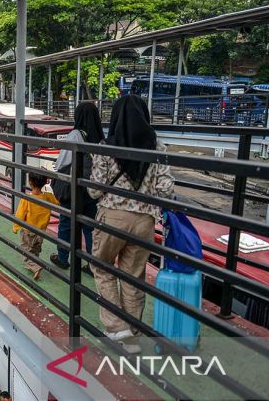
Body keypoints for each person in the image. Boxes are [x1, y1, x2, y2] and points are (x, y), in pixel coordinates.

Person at [88, 95, 174, 354]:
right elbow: (166, 190)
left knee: (102, 268)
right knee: (134, 276)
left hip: (112, 217)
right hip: (145, 221)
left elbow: (94, 191)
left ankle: (116, 327)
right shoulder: (157, 146)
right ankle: (133, 334)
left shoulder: (107, 146)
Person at [50, 102, 105, 273]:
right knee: (89, 226)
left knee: (66, 222)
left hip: (75, 188)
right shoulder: (100, 137)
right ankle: (91, 263)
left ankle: (62, 258)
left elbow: (62, 162)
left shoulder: (75, 134)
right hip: (92, 187)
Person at [13, 173, 60, 281]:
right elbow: (57, 202)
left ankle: (35, 267)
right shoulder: (48, 196)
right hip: (41, 231)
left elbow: (20, 214)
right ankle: (33, 265)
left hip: (28, 231)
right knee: (35, 249)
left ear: (30, 183)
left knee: (26, 250)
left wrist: (16, 227)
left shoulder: (26, 199)